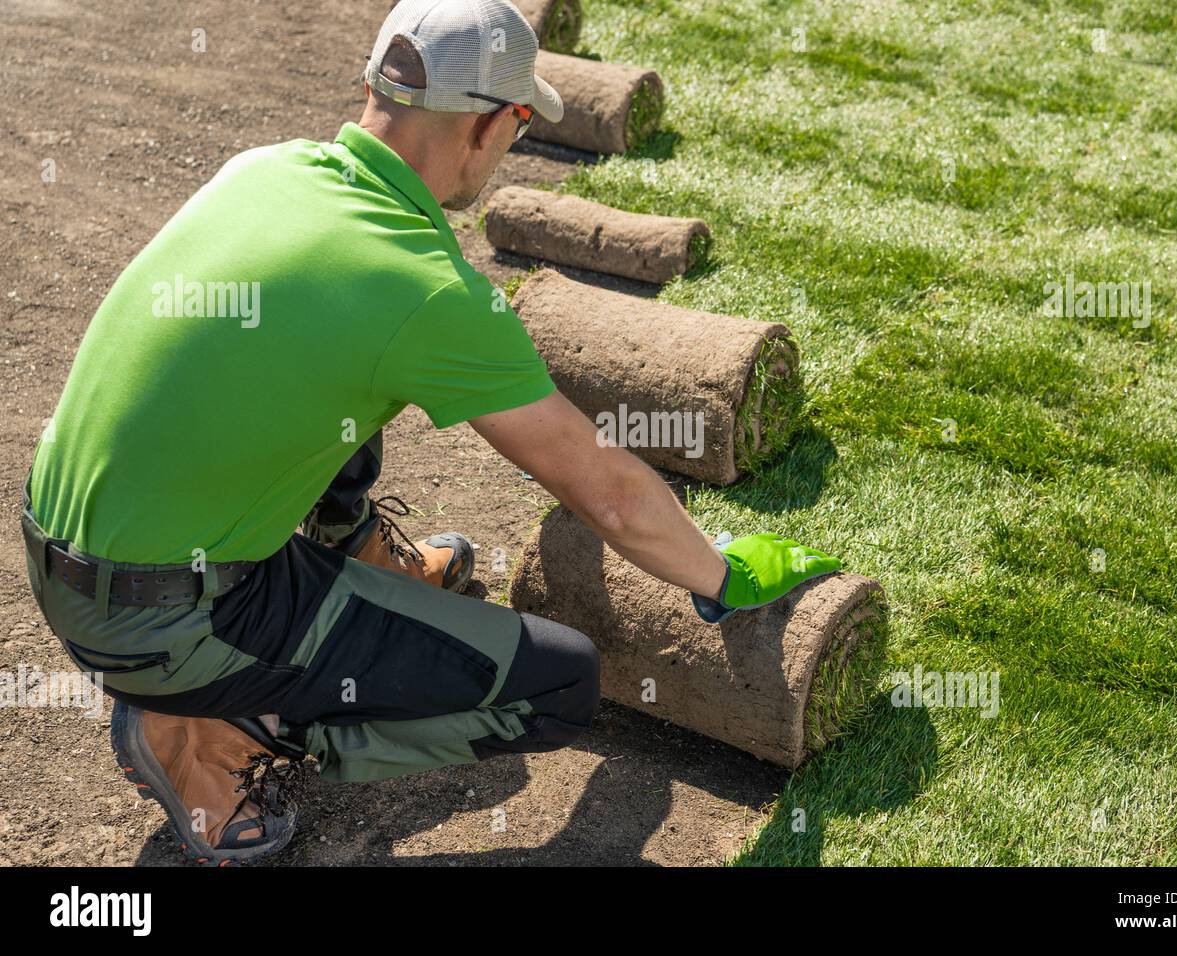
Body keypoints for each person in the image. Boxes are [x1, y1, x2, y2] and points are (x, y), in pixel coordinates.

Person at [20, 0, 839, 866]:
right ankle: (222, 729)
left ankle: (354, 564)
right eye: (521, 125)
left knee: (334, 383)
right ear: (494, 124)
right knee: (558, 684)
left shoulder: (265, 169)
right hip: (168, 620)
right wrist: (719, 575)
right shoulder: (427, 289)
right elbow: (604, 492)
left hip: (63, 541)